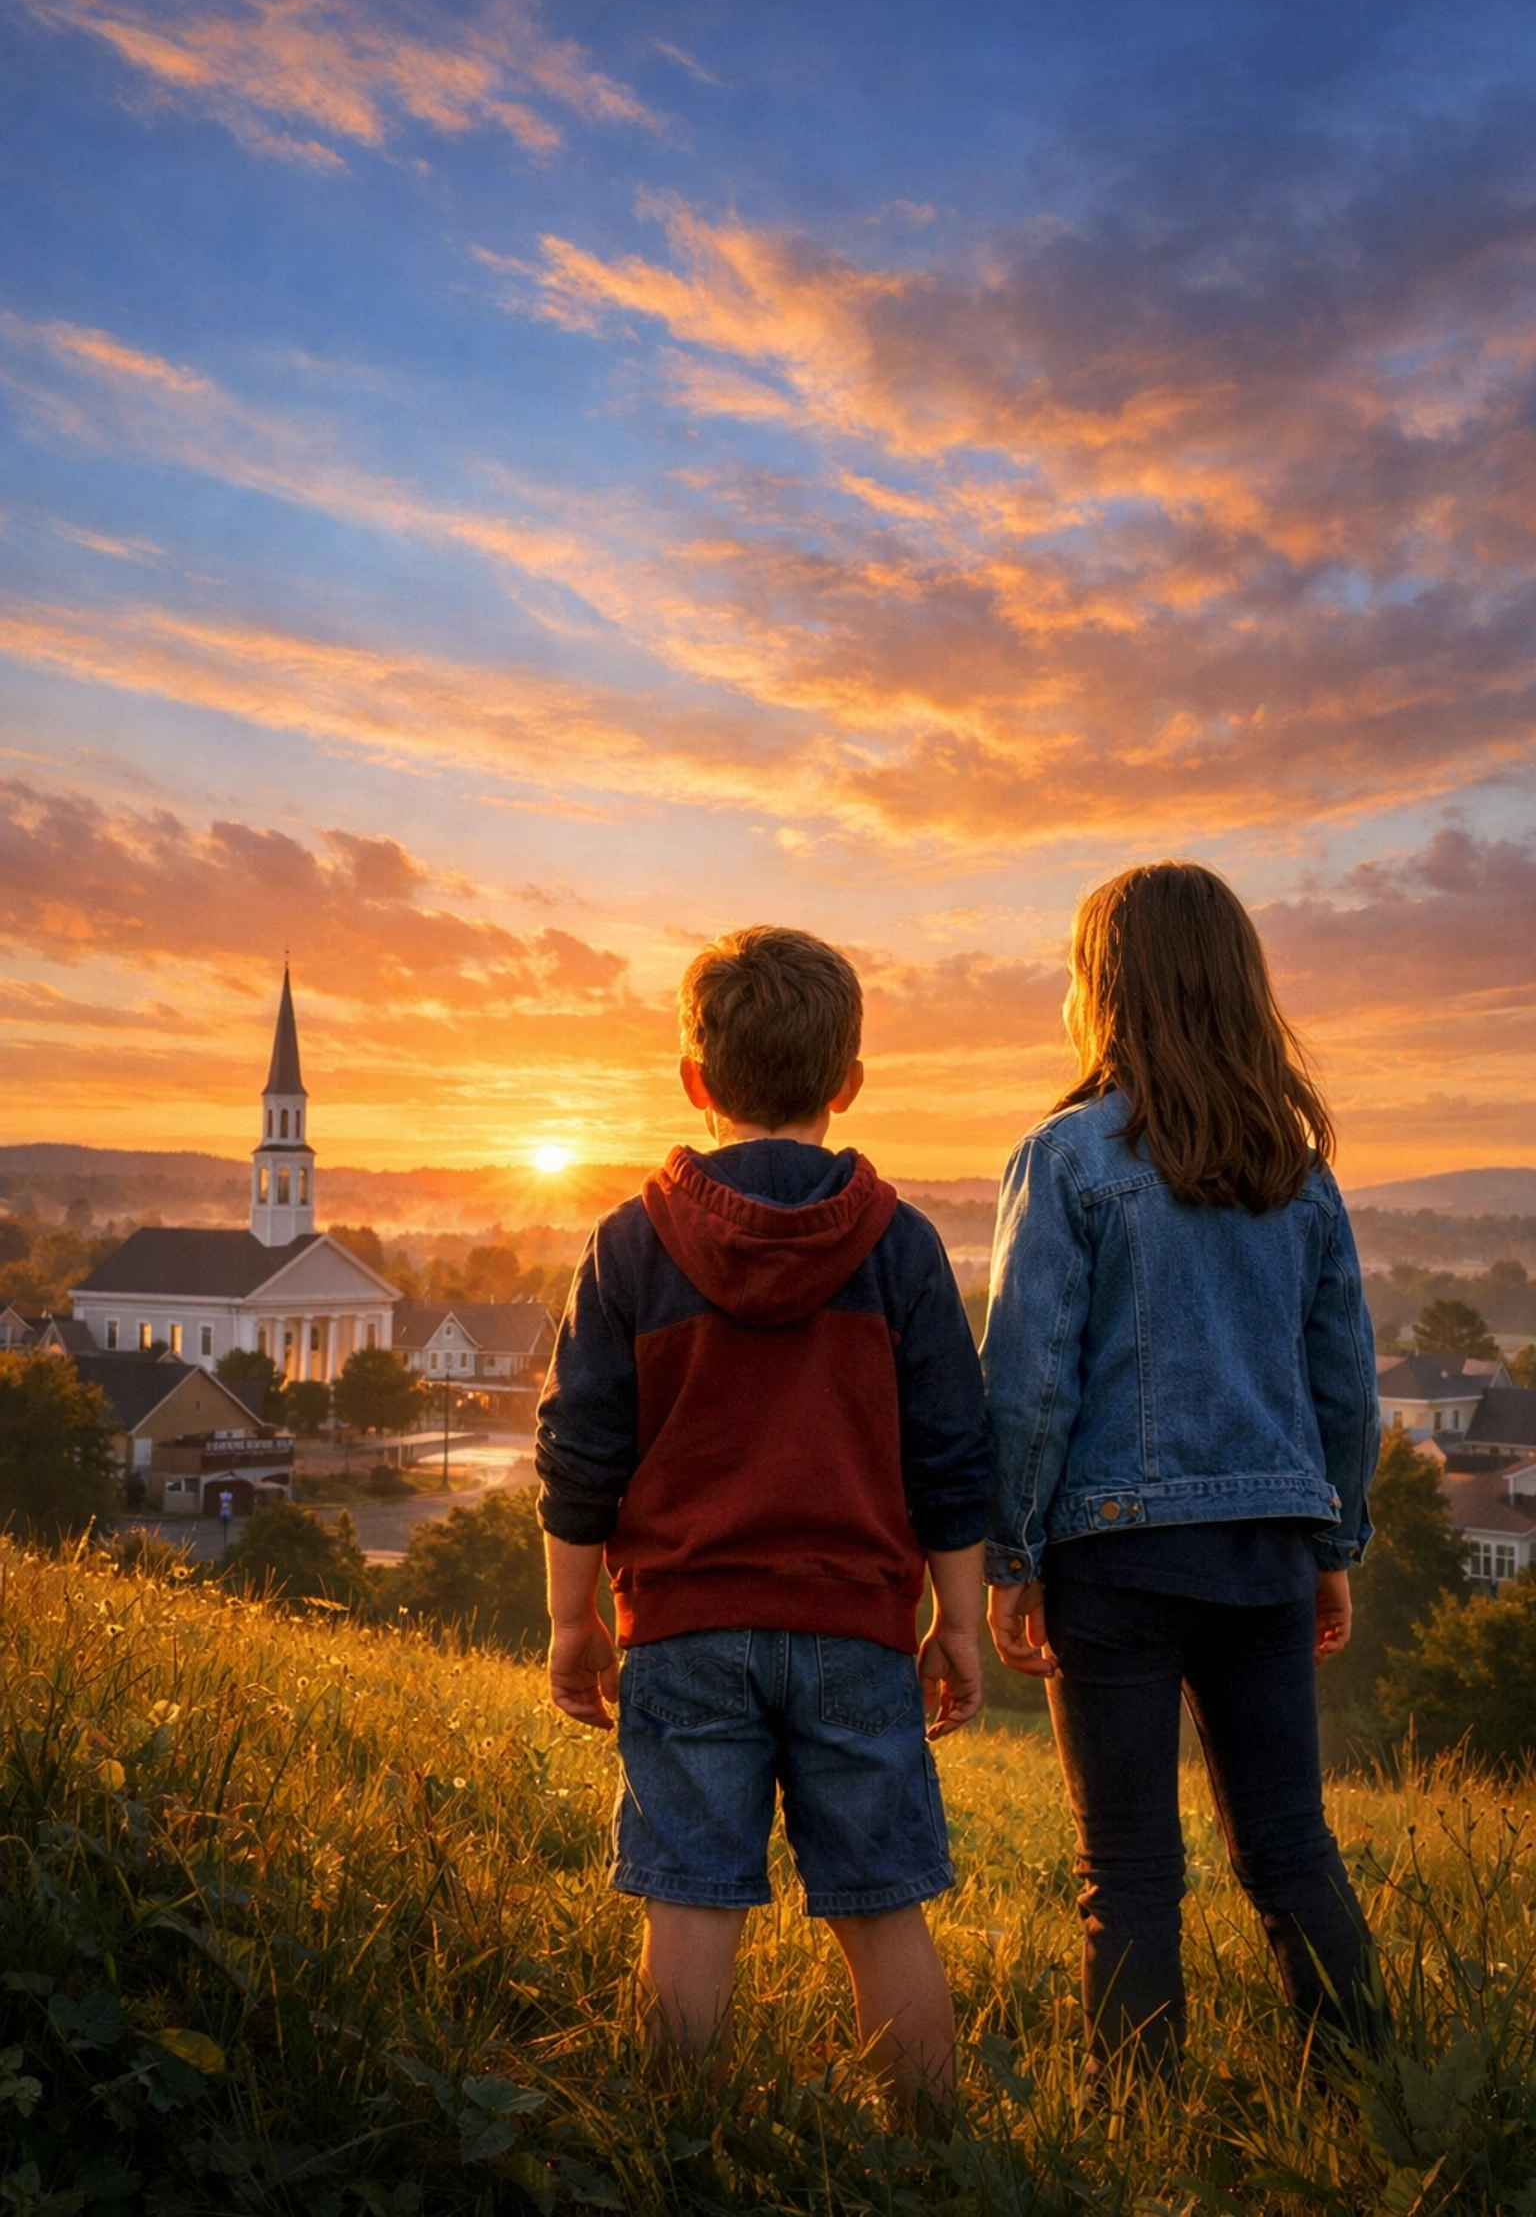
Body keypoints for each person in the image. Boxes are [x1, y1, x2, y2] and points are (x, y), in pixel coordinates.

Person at [536, 925, 991, 2122]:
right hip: (854, 1625)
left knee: (689, 1901)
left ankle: (670, 2146)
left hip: (685, 1628)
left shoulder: (629, 1244)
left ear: (696, 1082)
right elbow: (952, 1455)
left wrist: (571, 1619)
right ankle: (935, 2159)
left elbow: (581, 1452)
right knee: (882, 1905)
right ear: (846, 1082)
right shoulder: (900, 1246)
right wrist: (960, 1624)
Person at [985, 862, 1382, 2079]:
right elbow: (1344, 1388)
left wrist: (1012, 1556)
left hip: (1112, 1559)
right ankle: (1373, 2089)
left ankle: (1139, 2126)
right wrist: (1331, 1545)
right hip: (1266, 1548)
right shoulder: (1297, 1165)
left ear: (1102, 992)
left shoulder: (1067, 1158)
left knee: (1130, 1870)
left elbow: (1027, 1382)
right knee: (1288, 1844)